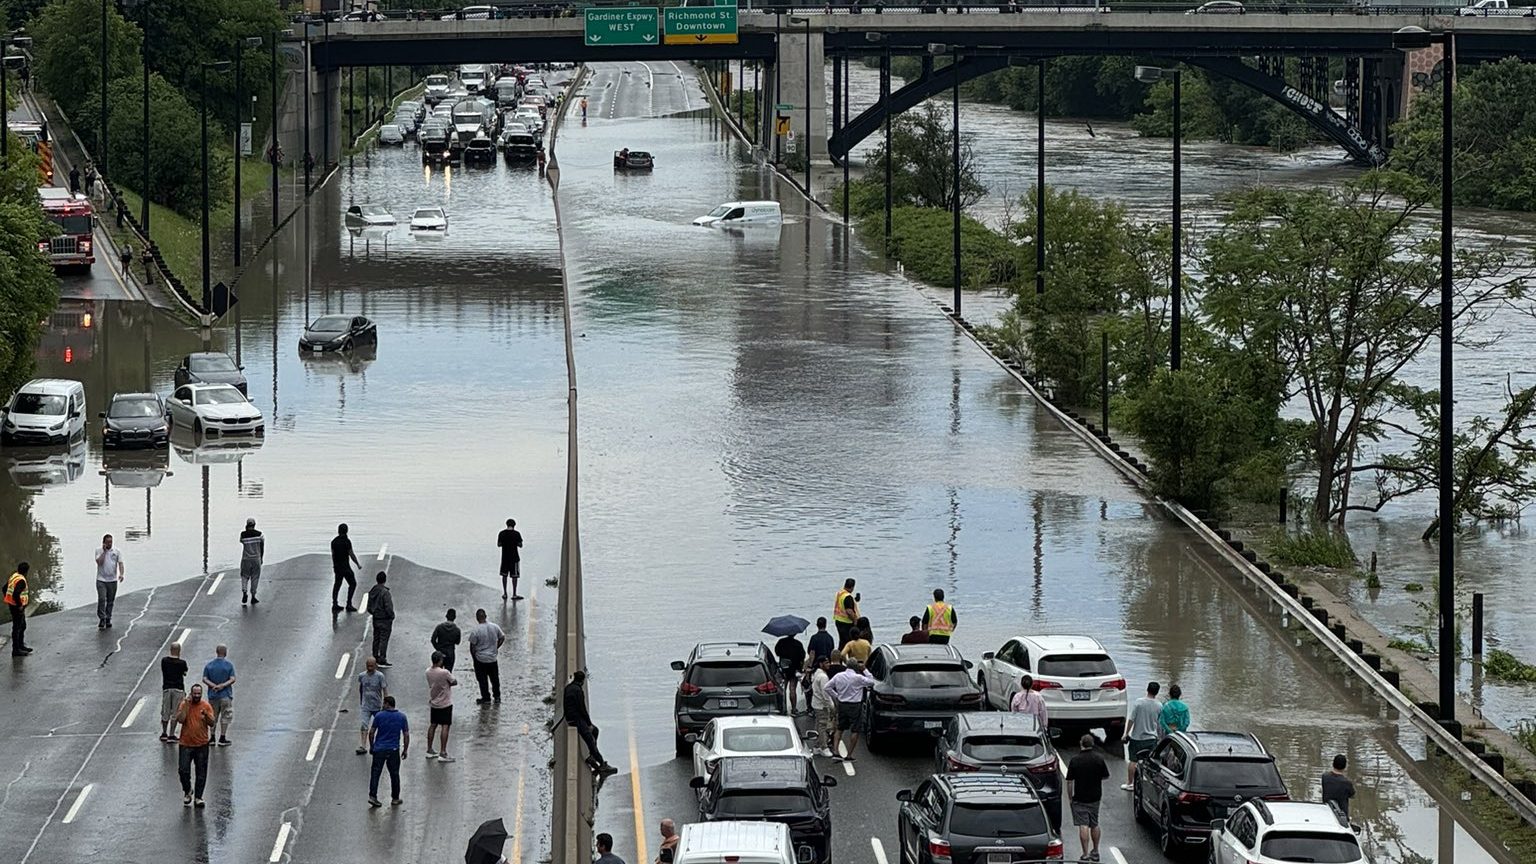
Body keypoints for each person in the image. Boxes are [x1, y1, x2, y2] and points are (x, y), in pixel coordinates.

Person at [563, 671, 617, 774]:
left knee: (595, 731)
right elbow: (582, 709)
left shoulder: (568, 688)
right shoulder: (578, 691)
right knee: (590, 741)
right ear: (583, 680)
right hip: (576, 720)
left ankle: (592, 757)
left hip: (570, 718)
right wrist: (589, 724)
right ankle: (602, 764)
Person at [1066, 733, 1110, 862]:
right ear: (1092, 744)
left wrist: (1070, 798)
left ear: (1081, 744)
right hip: (1095, 796)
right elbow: (1106, 776)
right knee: (1094, 823)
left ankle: (1085, 854)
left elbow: (1069, 781)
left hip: (1080, 797)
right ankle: (1095, 851)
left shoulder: (1075, 760)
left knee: (1083, 825)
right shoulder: (1099, 759)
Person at [176, 684, 217, 808]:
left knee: (201, 772)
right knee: (183, 770)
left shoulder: (206, 706)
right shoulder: (185, 704)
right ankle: (187, 790)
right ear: (191, 693)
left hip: (201, 744)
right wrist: (186, 705)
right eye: (195, 694)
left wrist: (207, 716)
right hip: (186, 743)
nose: (197, 696)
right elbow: (180, 720)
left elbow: (212, 723)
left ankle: (198, 797)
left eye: (199, 694)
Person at [826, 662, 876, 761]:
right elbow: (872, 682)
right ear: (856, 668)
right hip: (855, 705)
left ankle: (835, 752)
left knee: (840, 728)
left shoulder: (838, 676)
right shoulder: (858, 678)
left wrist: (837, 696)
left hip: (842, 704)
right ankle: (849, 755)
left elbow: (827, 687)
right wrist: (865, 669)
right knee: (855, 729)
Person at [367, 695, 410, 807]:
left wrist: (372, 746)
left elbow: (371, 733)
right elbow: (406, 734)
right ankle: (395, 798)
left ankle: (373, 796)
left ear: (387, 704)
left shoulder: (379, 716)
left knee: (376, 773)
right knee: (394, 774)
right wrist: (405, 750)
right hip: (393, 749)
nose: (382, 705)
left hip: (379, 749)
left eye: (384, 703)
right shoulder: (402, 717)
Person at [1121, 681, 1162, 790]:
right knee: (1150, 763)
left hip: (1137, 738)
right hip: (1151, 739)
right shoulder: (1159, 705)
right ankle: (1149, 784)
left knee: (1133, 761)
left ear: (1147, 689)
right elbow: (1159, 724)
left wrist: (1126, 734)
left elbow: (1131, 719)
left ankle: (1130, 783)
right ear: (1157, 692)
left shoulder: (1139, 703)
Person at [425, 651, 457, 762]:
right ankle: (443, 752)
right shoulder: (444, 672)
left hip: (434, 703)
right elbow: (454, 681)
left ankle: (429, 749)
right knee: (445, 726)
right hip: (445, 703)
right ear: (439, 661)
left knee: (433, 725)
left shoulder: (428, 671)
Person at [468, 608, 505, 704]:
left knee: (482, 680)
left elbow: (472, 646)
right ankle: (497, 697)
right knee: (495, 679)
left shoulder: (476, 630)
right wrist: (496, 648)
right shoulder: (495, 627)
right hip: (492, 658)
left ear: (477, 618)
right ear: (486, 616)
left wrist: (474, 658)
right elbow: (502, 637)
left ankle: (486, 698)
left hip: (480, 659)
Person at [202, 644, 236, 746]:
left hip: (213, 695)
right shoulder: (229, 665)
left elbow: (204, 678)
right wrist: (223, 685)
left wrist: (213, 686)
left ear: (216, 652)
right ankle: (222, 737)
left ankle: (212, 737)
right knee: (225, 716)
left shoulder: (209, 665)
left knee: (213, 716)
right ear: (225, 652)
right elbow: (232, 679)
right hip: (225, 695)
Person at [355, 656, 389, 755]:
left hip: (377, 705)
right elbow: (361, 688)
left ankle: (381, 743)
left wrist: (385, 703)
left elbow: (384, 689)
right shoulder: (362, 676)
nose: (370, 668)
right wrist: (361, 700)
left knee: (380, 725)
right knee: (364, 725)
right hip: (366, 705)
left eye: (372, 666)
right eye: (368, 666)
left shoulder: (380, 676)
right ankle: (363, 745)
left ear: (375, 666)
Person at [159, 641, 188, 743]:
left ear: (170, 650)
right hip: (178, 688)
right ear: (179, 651)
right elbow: (184, 673)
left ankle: (164, 733)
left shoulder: (164, 661)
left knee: (165, 711)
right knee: (175, 712)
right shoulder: (182, 663)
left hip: (167, 688)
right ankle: (171, 734)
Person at [95, 533, 124, 629]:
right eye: (107, 542)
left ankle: (108, 618)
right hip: (101, 580)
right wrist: (104, 551)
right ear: (103, 543)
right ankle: (102, 618)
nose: (109, 544)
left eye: (111, 542)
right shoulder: (98, 551)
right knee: (102, 599)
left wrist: (121, 574)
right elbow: (99, 562)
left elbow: (120, 563)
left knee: (110, 601)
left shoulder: (116, 551)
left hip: (112, 580)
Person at [331, 523, 361, 611]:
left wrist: (334, 566)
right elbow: (351, 554)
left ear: (338, 531)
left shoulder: (334, 542)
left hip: (337, 567)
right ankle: (349, 604)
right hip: (345, 567)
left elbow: (333, 555)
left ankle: (335, 604)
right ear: (346, 531)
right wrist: (357, 564)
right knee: (353, 583)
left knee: (337, 585)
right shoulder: (347, 541)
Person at [808, 655, 835, 757]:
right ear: (821, 664)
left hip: (816, 703)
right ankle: (824, 747)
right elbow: (826, 694)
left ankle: (817, 746)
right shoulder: (823, 677)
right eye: (826, 663)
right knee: (823, 726)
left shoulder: (816, 674)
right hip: (822, 705)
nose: (829, 664)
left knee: (818, 725)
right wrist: (831, 706)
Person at [774, 632, 806, 715]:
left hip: (783, 669)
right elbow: (802, 657)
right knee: (792, 689)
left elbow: (777, 652)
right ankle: (794, 709)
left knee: (782, 689)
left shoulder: (781, 642)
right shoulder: (798, 644)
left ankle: (782, 708)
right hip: (794, 669)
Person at [367, 572, 395, 667]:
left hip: (376, 618)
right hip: (385, 619)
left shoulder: (373, 591)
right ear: (385, 580)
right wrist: (391, 616)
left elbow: (369, 607)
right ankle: (382, 659)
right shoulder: (385, 593)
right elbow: (388, 607)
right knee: (384, 639)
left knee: (376, 638)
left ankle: (375, 656)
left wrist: (374, 613)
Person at [6, 562, 30, 656]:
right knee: (17, 628)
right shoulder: (21, 581)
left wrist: (8, 599)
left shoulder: (14, 576)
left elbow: (5, 588)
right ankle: (16, 650)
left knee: (22, 626)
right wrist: (19, 605)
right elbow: (16, 594)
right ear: (26, 571)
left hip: (13, 605)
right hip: (17, 607)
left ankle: (20, 645)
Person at [497, 518, 524, 600]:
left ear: (507, 524)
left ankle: (505, 593)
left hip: (505, 558)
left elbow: (499, 544)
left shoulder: (501, 533)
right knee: (514, 577)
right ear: (514, 525)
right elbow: (520, 545)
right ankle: (514, 594)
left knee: (504, 575)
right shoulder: (516, 534)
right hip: (514, 558)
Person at [239, 518, 264, 605]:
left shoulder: (243, 534)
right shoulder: (259, 534)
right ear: (254, 525)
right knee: (255, 577)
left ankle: (244, 591)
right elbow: (262, 546)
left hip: (246, 559)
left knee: (244, 576)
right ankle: (253, 596)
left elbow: (241, 541)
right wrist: (261, 558)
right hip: (256, 558)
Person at [832, 578, 860, 648]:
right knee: (848, 643)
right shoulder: (848, 597)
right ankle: (847, 657)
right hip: (847, 623)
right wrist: (855, 621)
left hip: (838, 621)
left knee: (842, 642)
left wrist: (855, 600)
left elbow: (844, 604)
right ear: (852, 587)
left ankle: (839, 656)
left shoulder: (840, 593)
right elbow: (849, 611)